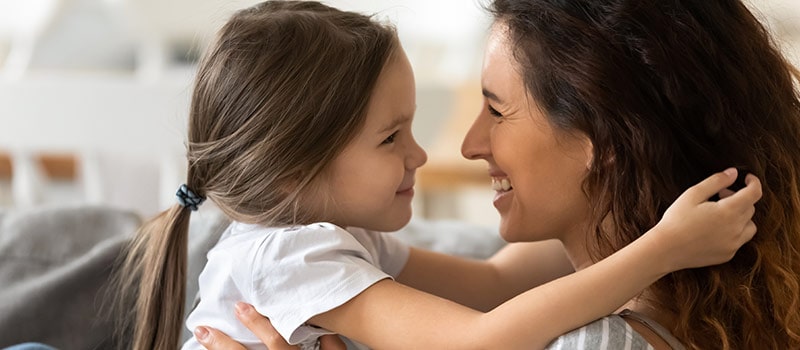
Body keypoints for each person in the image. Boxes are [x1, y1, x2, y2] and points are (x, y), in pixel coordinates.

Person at [115, 1, 762, 350]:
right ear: (294, 170)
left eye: (498, 108)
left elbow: (495, 282)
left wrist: (651, 225)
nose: (429, 154)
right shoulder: (290, 255)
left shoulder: (329, 239)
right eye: (392, 137)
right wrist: (662, 249)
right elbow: (480, 339)